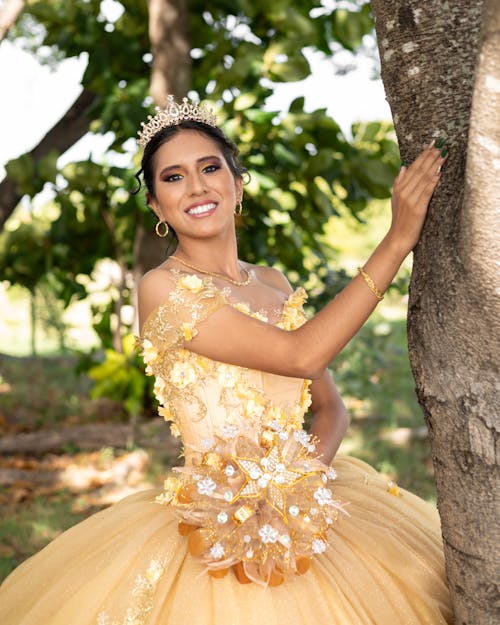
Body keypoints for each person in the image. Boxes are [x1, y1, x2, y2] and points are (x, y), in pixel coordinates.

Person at [0, 96, 452, 624]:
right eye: (173, 177)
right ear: (156, 207)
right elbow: (302, 355)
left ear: (237, 184)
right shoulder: (161, 289)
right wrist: (397, 240)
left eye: (210, 168)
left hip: (304, 504)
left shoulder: (273, 283)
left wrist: (298, 485)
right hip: (210, 523)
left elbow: (331, 409)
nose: (196, 187)